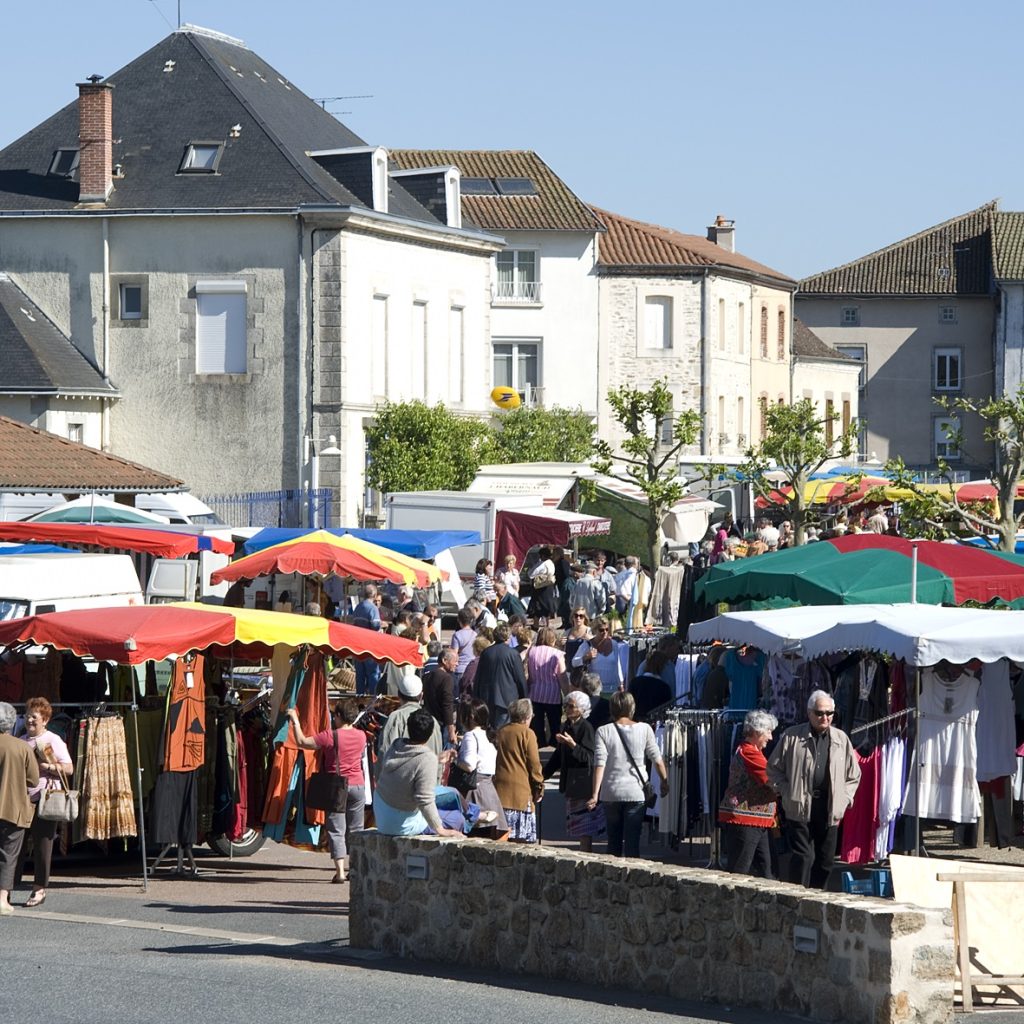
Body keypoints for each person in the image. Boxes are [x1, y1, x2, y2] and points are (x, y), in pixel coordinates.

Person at [767, 689, 862, 889]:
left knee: (826, 861)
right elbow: (773, 769)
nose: (825, 717)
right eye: (820, 713)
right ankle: (796, 899)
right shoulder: (792, 736)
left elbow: (853, 774)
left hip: (829, 806)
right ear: (809, 712)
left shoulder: (841, 738)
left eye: (829, 713)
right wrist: (786, 791)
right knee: (803, 857)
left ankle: (818, 902)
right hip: (799, 805)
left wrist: (845, 799)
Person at [287, 697, 368, 883]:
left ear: (339, 716)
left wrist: (295, 720)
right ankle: (354, 869)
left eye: (335, 715)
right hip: (358, 785)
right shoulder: (362, 735)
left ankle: (339, 871)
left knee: (336, 829)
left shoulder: (330, 735)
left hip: (337, 786)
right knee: (356, 829)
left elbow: (303, 742)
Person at [587, 691, 667, 858]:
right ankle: (633, 881)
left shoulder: (603, 731)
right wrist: (664, 781)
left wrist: (595, 794)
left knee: (613, 842)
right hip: (636, 792)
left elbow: (599, 764)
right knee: (632, 843)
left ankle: (610, 880)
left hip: (611, 792)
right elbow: (657, 759)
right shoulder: (645, 729)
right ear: (632, 707)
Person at [373, 709, 467, 838]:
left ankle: (475, 813)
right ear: (429, 734)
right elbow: (424, 799)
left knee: (452, 792)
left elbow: (411, 763)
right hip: (400, 825)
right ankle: (475, 814)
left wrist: (436, 759)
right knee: (457, 818)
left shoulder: (396, 745)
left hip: (382, 815)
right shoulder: (427, 758)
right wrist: (440, 830)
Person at [19, 696, 73, 907]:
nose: (29, 720)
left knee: (43, 845)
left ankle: (39, 889)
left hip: (45, 798)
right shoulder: (20, 739)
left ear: (45, 720)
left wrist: (47, 767)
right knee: (16, 843)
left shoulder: (52, 740)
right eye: (27, 716)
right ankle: (9, 886)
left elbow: (68, 768)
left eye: (34, 717)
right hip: (22, 798)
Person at [718, 710, 779, 878]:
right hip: (746, 820)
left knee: (766, 870)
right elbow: (771, 780)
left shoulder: (749, 751)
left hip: (756, 820)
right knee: (740, 870)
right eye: (768, 732)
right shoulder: (750, 753)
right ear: (757, 731)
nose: (771, 737)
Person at [543, 690, 603, 851]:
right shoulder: (567, 726)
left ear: (582, 709)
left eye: (571, 706)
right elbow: (558, 755)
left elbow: (590, 757)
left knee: (584, 826)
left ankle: (586, 856)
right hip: (571, 782)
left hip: (583, 783)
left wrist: (573, 745)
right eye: (566, 706)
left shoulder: (586, 728)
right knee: (576, 825)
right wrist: (543, 775)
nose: (567, 710)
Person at [0, 701, 38, 915]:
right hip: (13, 809)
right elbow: (33, 780)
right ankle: (2, 898)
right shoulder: (22, 747)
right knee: (8, 854)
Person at [493, 699, 544, 843]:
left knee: (503, 837)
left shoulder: (501, 731)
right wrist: (539, 787)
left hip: (501, 792)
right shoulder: (528, 734)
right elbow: (534, 764)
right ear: (527, 716)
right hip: (521, 793)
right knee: (522, 842)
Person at [455, 700, 508, 832]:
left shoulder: (470, 735)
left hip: (474, 791)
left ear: (470, 717)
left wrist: (455, 760)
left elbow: (469, 765)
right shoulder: (487, 735)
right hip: (489, 789)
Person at [376, 672, 442, 773]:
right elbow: (438, 758)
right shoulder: (432, 721)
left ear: (398, 695)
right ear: (421, 696)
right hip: (428, 783)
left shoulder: (395, 718)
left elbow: (385, 751)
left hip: (400, 784)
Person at [473, 622, 527, 728]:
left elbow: (478, 677)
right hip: (507, 700)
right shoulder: (513, 654)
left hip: (487, 698)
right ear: (508, 636)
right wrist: (524, 698)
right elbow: (520, 679)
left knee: (489, 730)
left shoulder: (486, 653)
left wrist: (476, 697)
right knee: (503, 731)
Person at [525, 627, 566, 748]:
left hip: (535, 692)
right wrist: (567, 692)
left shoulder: (531, 651)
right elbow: (562, 676)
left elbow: (529, 673)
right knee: (554, 723)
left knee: (537, 723)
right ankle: (554, 744)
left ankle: (539, 744)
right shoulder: (557, 654)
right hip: (552, 693)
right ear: (552, 639)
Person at [571, 616, 626, 691]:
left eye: (607, 629)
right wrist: (586, 657)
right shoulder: (587, 644)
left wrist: (621, 684)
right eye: (601, 630)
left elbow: (617, 666)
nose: (605, 632)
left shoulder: (614, 644)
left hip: (612, 688)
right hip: (594, 690)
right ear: (595, 630)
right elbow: (574, 662)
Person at [350, 583, 382, 695]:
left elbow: (353, 623)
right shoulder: (373, 608)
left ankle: (359, 698)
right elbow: (375, 625)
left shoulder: (358, 607)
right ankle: (373, 699)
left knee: (360, 674)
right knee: (373, 674)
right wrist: (382, 624)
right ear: (374, 595)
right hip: (370, 646)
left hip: (358, 646)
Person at [423, 648, 458, 745]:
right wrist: (451, 731)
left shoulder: (427, 676)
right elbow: (447, 705)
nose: (457, 664)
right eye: (455, 661)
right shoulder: (447, 678)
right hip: (442, 724)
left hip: (429, 721)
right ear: (444, 661)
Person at [528, 545, 558, 626]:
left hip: (540, 587)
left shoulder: (542, 564)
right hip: (549, 586)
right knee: (547, 605)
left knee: (538, 606)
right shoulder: (551, 563)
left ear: (543, 555)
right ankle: (548, 623)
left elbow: (531, 574)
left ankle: (536, 624)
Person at [449, 606, 477, 688]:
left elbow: (454, 654)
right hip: (472, 668)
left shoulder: (457, 635)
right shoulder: (475, 634)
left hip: (460, 668)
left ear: (459, 620)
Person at [458, 635, 491, 701]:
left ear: (476, 649)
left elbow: (467, 680)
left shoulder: (475, 663)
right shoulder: (490, 660)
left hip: (473, 699)